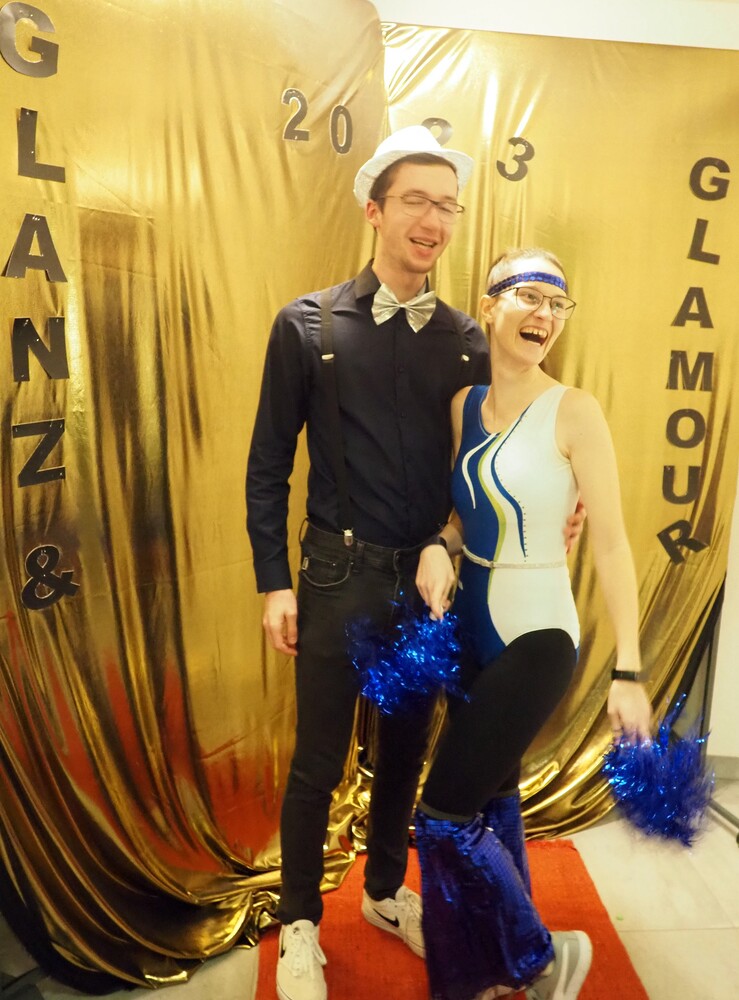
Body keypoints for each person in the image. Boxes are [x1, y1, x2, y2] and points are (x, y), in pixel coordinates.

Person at [246, 125, 492, 1000]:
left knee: (403, 752)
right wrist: (273, 582)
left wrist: (466, 538)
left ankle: (386, 893)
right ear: (374, 210)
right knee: (317, 761)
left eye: (447, 205)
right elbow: (268, 464)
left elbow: (481, 466)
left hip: (426, 585)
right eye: (416, 201)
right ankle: (300, 924)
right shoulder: (306, 324)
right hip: (332, 574)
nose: (433, 220)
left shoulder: (467, 339)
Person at [413, 247, 653, 1000]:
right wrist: (439, 544)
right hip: (469, 624)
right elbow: (466, 513)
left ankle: (539, 957)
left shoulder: (574, 410)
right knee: (492, 796)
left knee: (442, 815)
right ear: (489, 307)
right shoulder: (465, 404)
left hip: (538, 634)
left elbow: (611, 543)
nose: (545, 315)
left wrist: (629, 669)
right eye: (529, 297)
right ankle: (483, 972)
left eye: (557, 304)